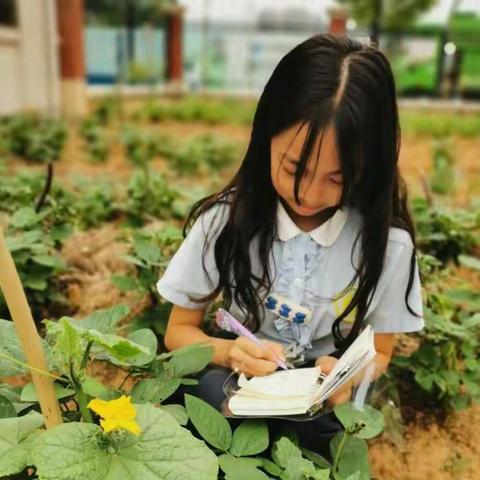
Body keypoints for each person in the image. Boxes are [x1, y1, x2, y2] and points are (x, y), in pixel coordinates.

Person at [156, 33, 424, 458]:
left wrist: (348, 377)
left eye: (337, 178)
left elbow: (382, 352)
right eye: (294, 167)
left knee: (328, 430)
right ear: (265, 133)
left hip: (317, 398)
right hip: (238, 386)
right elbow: (177, 331)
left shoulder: (388, 246)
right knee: (203, 395)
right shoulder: (223, 222)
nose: (310, 194)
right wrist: (230, 352)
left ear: (370, 165)